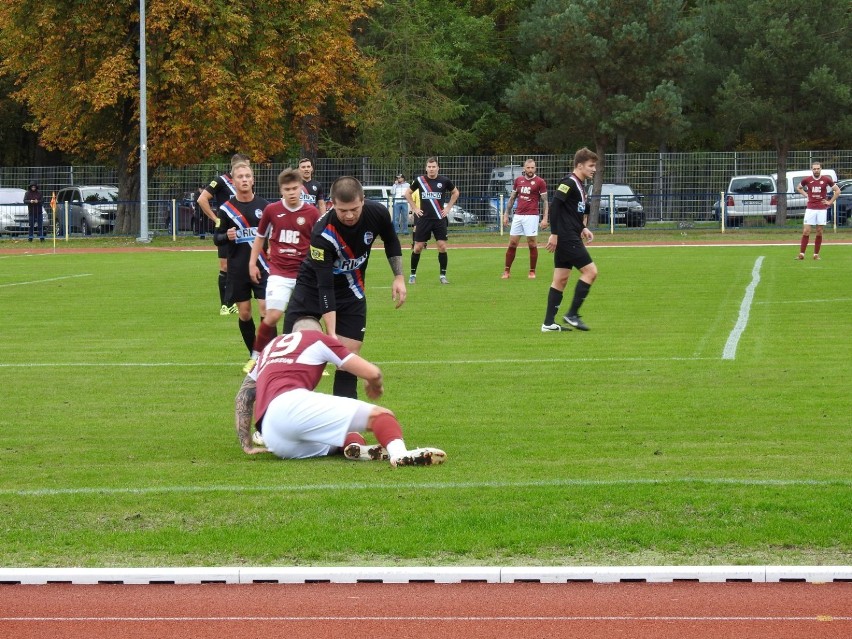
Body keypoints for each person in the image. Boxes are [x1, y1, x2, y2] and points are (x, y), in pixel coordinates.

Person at [234, 317, 446, 467]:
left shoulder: (271, 347)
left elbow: (243, 397)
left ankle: (355, 448)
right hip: (291, 405)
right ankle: (400, 455)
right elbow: (372, 373)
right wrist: (375, 385)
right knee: (382, 416)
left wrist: (246, 445)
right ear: (317, 330)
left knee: (335, 438)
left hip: (274, 437)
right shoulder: (316, 339)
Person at [282, 176, 406, 400]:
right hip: (313, 288)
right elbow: (325, 286)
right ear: (332, 205)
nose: (349, 215)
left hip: (351, 289)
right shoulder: (322, 232)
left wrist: (399, 276)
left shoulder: (377, 213)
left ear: (363, 201)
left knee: (348, 357)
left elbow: (391, 240)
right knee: (293, 352)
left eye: (354, 209)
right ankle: (274, 420)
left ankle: (347, 428)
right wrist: (330, 335)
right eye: (342, 210)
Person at [244, 168, 321, 374]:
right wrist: (253, 263)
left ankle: (312, 360)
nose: (292, 192)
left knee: (305, 320)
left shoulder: (312, 213)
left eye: (295, 188)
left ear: (301, 189)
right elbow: (260, 237)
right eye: (287, 189)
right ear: (281, 190)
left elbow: (318, 243)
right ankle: (256, 356)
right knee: (273, 316)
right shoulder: (272, 210)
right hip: (278, 272)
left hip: (304, 274)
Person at [212, 161, 269, 354]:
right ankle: (253, 353)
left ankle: (265, 354)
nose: (244, 180)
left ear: (253, 180)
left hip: (262, 267)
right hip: (238, 268)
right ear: (233, 181)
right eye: (240, 177)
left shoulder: (265, 207)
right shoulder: (226, 209)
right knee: (245, 314)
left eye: (247, 176)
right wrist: (225, 236)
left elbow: (275, 235)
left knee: (266, 311)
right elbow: (216, 238)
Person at [541, 147, 599, 332]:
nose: (594, 169)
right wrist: (555, 233)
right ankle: (572, 314)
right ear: (580, 165)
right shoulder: (568, 182)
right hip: (566, 237)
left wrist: (583, 228)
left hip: (570, 235)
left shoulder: (580, 185)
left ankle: (548, 324)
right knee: (591, 272)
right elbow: (556, 206)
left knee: (560, 279)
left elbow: (572, 212)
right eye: (591, 165)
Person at [198, 153, 250, 316]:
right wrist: (215, 219)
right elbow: (202, 199)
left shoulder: (246, 182)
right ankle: (226, 305)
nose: (247, 171)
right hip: (227, 228)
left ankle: (238, 300)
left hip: (244, 230)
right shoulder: (221, 181)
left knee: (242, 265)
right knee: (225, 266)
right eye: (245, 166)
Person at [405, 157, 459, 284]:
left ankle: (442, 276)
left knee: (442, 246)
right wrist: (415, 208)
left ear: (438, 168)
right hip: (424, 219)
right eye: (429, 167)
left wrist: (448, 208)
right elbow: (407, 193)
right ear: (426, 168)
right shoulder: (420, 180)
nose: (431, 169)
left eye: (433, 166)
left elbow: (455, 193)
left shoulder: (444, 180)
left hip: (439, 219)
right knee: (418, 247)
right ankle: (412, 274)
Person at [501, 159, 549, 279]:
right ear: (524, 169)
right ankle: (507, 271)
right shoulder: (518, 181)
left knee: (532, 243)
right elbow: (512, 198)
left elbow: (545, 201)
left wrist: (545, 219)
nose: (530, 170)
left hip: (532, 216)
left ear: (535, 168)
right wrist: (506, 214)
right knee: (512, 243)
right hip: (518, 215)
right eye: (528, 168)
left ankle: (532, 271)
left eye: (532, 168)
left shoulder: (540, 182)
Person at [796, 161, 839, 261]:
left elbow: (837, 191)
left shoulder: (826, 180)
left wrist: (830, 202)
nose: (816, 170)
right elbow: (799, 188)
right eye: (814, 169)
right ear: (812, 169)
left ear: (820, 169)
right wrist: (807, 195)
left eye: (818, 168)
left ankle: (816, 254)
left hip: (821, 209)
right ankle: (801, 254)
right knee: (806, 231)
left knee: (819, 232)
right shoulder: (807, 180)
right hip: (810, 208)